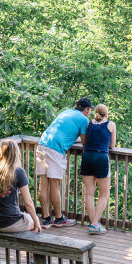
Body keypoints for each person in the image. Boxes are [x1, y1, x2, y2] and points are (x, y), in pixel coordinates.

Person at [35, 97, 93, 227]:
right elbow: (84, 142)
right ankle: (59, 218)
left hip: (42, 144)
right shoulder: (84, 119)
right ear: (87, 110)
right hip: (55, 149)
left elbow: (65, 131)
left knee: (43, 183)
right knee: (54, 185)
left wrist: (72, 139)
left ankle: (46, 218)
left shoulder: (66, 112)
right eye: (89, 110)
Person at [0, 139, 43, 233]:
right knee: (34, 221)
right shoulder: (19, 171)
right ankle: (26, 246)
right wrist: (37, 222)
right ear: (16, 153)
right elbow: (28, 202)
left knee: (27, 217)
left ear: (1, 153)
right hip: (9, 223)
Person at [80, 103, 117, 234]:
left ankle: (93, 224)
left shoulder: (89, 124)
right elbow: (112, 146)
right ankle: (95, 224)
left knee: (89, 193)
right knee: (104, 195)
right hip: (101, 158)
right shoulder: (111, 124)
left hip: (87, 156)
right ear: (106, 114)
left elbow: (84, 140)